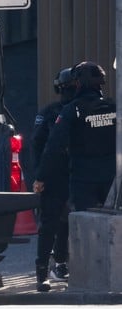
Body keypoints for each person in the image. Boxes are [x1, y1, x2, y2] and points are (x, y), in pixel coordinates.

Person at [38, 61, 117, 285]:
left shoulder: (72, 110)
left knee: (85, 227)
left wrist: (42, 176)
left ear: (79, 84)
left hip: (84, 179)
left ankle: (88, 277)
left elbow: (53, 146)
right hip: (113, 179)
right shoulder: (113, 107)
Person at [31, 67, 76, 292]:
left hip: (58, 175)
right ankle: (54, 266)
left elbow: (37, 145)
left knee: (54, 223)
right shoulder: (53, 112)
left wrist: (40, 175)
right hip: (68, 174)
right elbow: (39, 145)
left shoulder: (53, 111)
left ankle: (49, 269)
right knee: (59, 222)